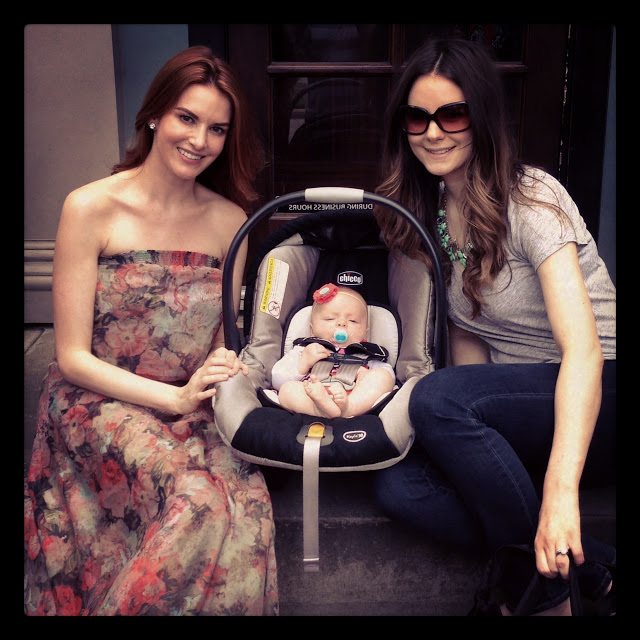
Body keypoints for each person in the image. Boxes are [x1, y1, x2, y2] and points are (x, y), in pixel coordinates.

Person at [24, 46, 279, 616]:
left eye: (217, 129)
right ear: (155, 115)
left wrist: (218, 373)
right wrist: (174, 399)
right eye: (187, 118)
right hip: (94, 401)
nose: (200, 140)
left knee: (245, 508)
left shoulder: (230, 221)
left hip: (194, 408)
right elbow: (71, 356)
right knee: (197, 501)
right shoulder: (89, 207)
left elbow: (224, 337)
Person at [372, 38, 616, 615]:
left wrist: (560, 492)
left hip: (597, 390)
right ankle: (595, 569)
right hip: (526, 410)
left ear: (481, 117)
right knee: (398, 486)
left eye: (452, 114)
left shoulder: (531, 198)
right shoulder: (430, 209)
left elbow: (583, 351)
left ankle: (547, 600)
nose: (433, 132)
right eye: (417, 117)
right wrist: (465, 433)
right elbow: (470, 340)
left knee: (434, 400)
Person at [272, 283, 395, 418]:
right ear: (312, 330)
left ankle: (348, 408)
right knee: (286, 390)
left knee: (383, 377)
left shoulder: (367, 354)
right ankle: (321, 409)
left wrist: (366, 375)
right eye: (330, 318)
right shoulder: (304, 349)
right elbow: (277, 379)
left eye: (353, 321)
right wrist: (303, 364)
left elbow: (387, 376)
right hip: (312, 395)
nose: (342, 323)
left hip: (354, 397)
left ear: (365, 332)